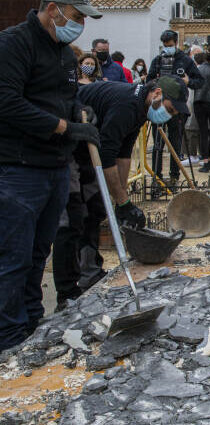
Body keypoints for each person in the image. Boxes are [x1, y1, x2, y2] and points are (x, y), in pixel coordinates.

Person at [0, 0, 102, 351]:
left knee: (37, 255)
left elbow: (67, 98)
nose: (80, 26)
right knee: (12, 257)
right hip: (18, 168)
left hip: (54, 168)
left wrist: (80, 111)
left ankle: (30, 323)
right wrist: (64, 127)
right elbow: (7, 102)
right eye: (76, 18)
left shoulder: (63, 53)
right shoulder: (14, 44)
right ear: (54, 9)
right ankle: (7, 338)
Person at [53, 77, 187, 308]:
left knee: (94, 211)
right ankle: (66, 292)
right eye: (170, 109)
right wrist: (123, 201)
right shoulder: (126, 105)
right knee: (72, 218)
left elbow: (123, 155)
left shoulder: (141, 110)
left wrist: (121, 199)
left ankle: (90, 273)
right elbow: (107, 157)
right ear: (157, 94)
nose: (170, 116)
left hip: (90, 151)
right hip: (67, 151)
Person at [146, 29, 203, 187]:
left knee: (175, 142)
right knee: (158, 142)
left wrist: (187, 81)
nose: (167, 48)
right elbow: (149, 80)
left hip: (177, 106)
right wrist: (155, 84)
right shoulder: (158, 60)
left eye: (170, 45)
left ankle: (174, 176)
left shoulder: (185, 60)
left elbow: (199, 81)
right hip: (159, 105)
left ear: (176, 43)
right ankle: (156, 177)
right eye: (165, 45)